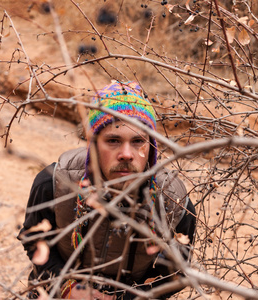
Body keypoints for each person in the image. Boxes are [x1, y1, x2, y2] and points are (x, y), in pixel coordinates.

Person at [18, 81, 196, 299]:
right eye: (113, 140)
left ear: (151, 146)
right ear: (93, 144)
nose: (126, 154)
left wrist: (128, 297)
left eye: (138, 141)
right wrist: (66, 288)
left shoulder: (173, 199)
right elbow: (33, 240)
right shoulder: (55, 182)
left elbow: (175, 274)